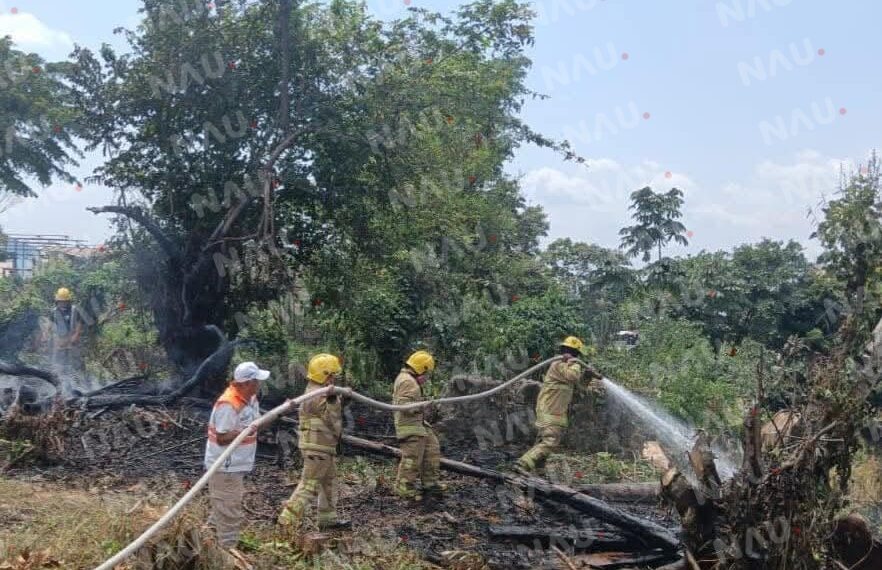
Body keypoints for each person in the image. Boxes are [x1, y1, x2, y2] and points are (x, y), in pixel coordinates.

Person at [278, 354, 351, 532]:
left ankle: (327, 519)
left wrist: (340, 399)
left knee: (329, 483)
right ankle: (286, 520)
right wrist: (335, 400)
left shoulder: (316, 391)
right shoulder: (316, 395)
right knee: (309, 484)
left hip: (322, 447)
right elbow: (332, 419)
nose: (334, 379)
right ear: (324, 375)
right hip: (317, 448)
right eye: (332, 375)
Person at [204, 361, 270, 549]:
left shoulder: (250, 398)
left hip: (236, 465)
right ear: (248, 383)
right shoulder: (229, 404)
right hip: (224, 467)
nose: (259, 385)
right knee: (229, 510)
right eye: (257, 381)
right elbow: (222, 438)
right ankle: (228, 551)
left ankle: (208, 546)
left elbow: (256, 423)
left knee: (223, 508)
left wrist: (275, 416)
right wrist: (246, 429)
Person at [515, 336, 603, 474]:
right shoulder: (559, 363)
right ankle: (522, 464)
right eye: (571, 352)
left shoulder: (568, 365)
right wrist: (577, 364)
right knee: (550, 441)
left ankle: (539, 470)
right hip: (549, 409)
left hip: (553, 409)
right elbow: (572, 376)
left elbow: (579, 386)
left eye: (572, 353)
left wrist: (587, 375)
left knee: (543, 440)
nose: (572, 355)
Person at [392, 350, 445, 501]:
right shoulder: (407, 381)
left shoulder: (409, 380)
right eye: (427, 375)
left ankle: (430, 484)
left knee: (432, 450)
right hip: (410, 427)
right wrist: (423, 404)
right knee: (412, 458)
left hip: (419, 425)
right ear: (423, 369)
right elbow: (403, 406)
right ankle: (404, 487)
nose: (428, 379)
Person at [48, 287, 84, 374]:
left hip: (73, 340)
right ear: (57, 301)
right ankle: (62, 379)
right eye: (61, 301)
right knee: (59, 364)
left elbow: (80, 323)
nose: (62, 303)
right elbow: (50, 326)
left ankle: (81, 380)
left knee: (77, 363)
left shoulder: (74, 310)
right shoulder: (54, 312)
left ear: (68, 301)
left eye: (64, 301)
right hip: (60, 341)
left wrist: (76, 335)